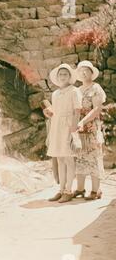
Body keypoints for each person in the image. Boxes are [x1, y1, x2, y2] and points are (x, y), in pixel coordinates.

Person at [43, 64, 82, 203]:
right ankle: (61, 189)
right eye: (61, 75)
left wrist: (73, 127)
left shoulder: (74, 91)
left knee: (69, 158)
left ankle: (69, 190)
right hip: (56, 125)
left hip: (68, 125)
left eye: (65, 74)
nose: (63, 76)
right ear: (57, 77)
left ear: (70, 76)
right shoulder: (55, 93)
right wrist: (48, 113)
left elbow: (77, 110)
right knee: (59, 158)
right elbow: (55, 111)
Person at [73, 60, 106, 200]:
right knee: (79, 157)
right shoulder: (77, 90)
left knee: (93, 157)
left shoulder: (96, 88)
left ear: (92, 73)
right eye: (81, 70)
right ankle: (80, 189)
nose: (84, 72)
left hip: (91, 128)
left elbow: (97, 109)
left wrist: (83, 121)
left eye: (87, 70)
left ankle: (96, 190)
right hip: (79, 128)